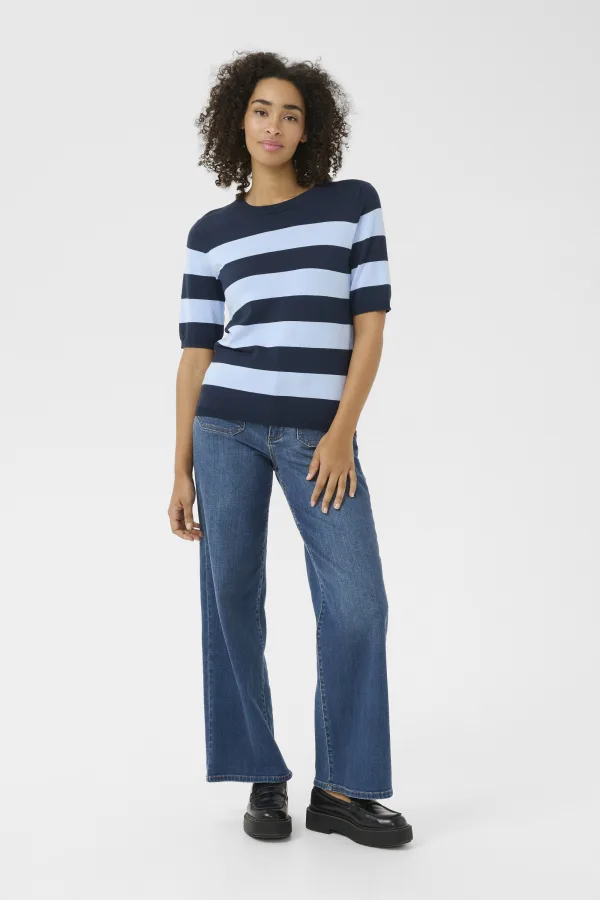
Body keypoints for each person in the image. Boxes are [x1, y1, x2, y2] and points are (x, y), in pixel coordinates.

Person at [168, 50, 413, 849]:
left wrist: (341, 433)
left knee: (359, 603)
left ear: (312, 129)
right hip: (223, 429)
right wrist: (179, 465)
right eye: (262, 110)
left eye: (292, 113)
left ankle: (340, 790)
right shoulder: (210, 234)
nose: (274, 125)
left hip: (319, 437)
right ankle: (261, 774)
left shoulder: (352, 205)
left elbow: (370, 327)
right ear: (237, 121)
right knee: (231, 599)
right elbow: (196, 354)